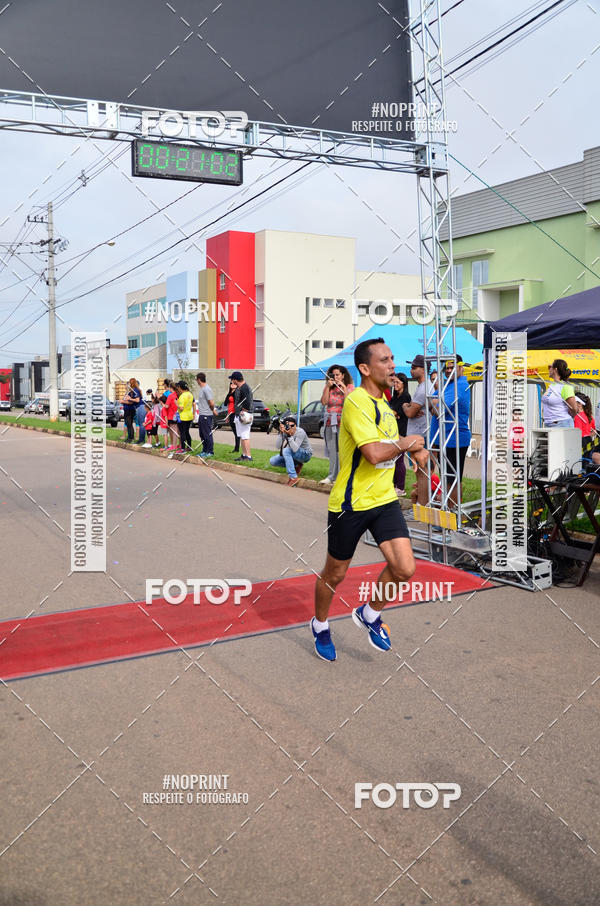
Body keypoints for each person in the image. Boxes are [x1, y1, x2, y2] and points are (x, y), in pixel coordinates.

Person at [310, 337, 428, 662]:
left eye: (393, 359)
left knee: (404, 568)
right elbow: (375, 453)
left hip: (383, 500)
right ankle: (320, 624)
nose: (393, 365)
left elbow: (394, 443)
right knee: (334, 574)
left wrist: (418, 451)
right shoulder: (356, 402)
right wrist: (407, 444)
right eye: (384, 360)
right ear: (365, 368)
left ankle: (370, 614)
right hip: (350, 504)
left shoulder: (386, 407)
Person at [430, 356, 471, 509]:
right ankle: (450, 511)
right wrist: (433, 402)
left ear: (461, 367)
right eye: (446, 368)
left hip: (455, 439)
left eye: (452, 367)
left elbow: (437, 410)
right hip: (444, 438)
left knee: (452, 479)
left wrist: (433, 402)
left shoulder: (459, 385)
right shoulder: (449, 384)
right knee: (447, 477)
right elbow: (431, 403)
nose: (448, 371)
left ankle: (451, 513)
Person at [402, 355, 430, 505]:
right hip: (418, 435)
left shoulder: (423, 388)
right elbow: (411, 409)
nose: (411, 370)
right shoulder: (423, 386)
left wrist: (405, 406)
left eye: (414, 367)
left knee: (422, 474)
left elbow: (410, 413)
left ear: (423, 369)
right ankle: (422, 506)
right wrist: (408, 406)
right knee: (421, 474)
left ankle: (422, 507)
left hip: (419, 437)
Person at [319, 364, 354, 486]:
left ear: (343, 375)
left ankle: (341, 476)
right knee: (332, 450)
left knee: (342, 450)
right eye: (333, 375)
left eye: (337, 374)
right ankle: (331, 476)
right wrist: (327, 388)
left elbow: (349, 402)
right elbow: (324, 402)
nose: (335, 377)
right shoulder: (329, 387)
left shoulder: (349, 387)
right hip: (330, 421)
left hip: (342, 422)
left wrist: (343, 387)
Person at [269, 415, 313, 486]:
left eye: (292, 425)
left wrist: (289, 436)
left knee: (286, 450)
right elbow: (277, 446)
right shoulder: (284, 431)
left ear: (295, 425)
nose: (291, 427)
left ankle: (293, 477)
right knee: (273, 461)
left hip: (306, 454)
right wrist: (281, 434)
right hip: (293, 453)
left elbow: (295, 449)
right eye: (288, 426)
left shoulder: (300, 432)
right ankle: (296, 464)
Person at [388, 372, 411, 495]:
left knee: (399, 459)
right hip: (393, 430)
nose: (395, 384)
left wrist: (394, 413)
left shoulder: (406, 396)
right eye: (394, 382)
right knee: (393, 459)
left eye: (397, 382)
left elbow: (397, 413)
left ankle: (400, 487)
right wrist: (393, 413)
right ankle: (393, 484)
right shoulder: (394, 397)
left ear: (403, 383)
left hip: (402, 430)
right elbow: (390, 412)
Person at [541, 359, 577, 427]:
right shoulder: (552, 385)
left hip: (561, 423)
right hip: (549, 424)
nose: (549, 369)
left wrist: (569, 416)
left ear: (555, 369)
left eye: (550, 367)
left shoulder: (565, 386)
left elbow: (574, 408)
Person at [230, 371, 254, 462]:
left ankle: (248, 456)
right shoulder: (240, 387)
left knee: (245, 436)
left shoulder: (245, 388)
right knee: (241, 436)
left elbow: (247, 402)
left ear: (235, 380)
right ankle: (244, 455)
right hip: (240, 414)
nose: (232, 381)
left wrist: (243, 412)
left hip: (245, 414)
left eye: (232, 379)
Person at [195, 372, 219, 458]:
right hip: (202, 414)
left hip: (206, 415)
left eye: (196, 380)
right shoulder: (202, 389)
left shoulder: (206, 389)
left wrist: (213, 410)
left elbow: (211, 402)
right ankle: (204, 450)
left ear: (199, 379)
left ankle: (210, 451)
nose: (196, 381)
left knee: (207, 433)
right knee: (202, 434)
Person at [176, 381, 194, 453]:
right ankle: (189, 447)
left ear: (180, 387)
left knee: (182, 433)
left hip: (183, 416)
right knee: (187, 432)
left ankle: (182, 448)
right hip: (189, 415)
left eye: (178, 387)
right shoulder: (190, 394)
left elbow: (181, 408)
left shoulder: (182, 396)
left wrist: (176, 404)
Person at [122, 377, 142, 443]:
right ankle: (130, 437)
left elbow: (137, 400)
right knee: (128, 424)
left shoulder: (135, 390)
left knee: (129, 424)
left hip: (130, 409)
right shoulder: (131, 391)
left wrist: (128, 399)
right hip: (127, 409)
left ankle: (131, 438)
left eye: (130, 383)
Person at [223, 380, 239, 453]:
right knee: (235, 431)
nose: (232, 384)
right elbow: (226, 403)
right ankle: (236, 448)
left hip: (235, 413)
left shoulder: (236, 393)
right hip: (230, 414)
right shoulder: (230, 393)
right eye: (231, 383)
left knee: (236, 432)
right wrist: (227, 415)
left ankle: (236, 448)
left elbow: (237, 403)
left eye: (233, 383)